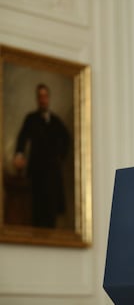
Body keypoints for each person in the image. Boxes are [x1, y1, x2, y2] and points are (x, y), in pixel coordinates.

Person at [14, 83, 70, 228]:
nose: (43, 99)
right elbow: (22, 137)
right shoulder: (31, 118)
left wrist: (60, 157)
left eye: (45, 96)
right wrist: (19, 155)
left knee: (50, 214)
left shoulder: (56, 121)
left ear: (48, 98)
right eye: (40, 96)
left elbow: (67, 139)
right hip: (36, 173)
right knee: (36, 212)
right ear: (37, 99)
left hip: (52, 174)